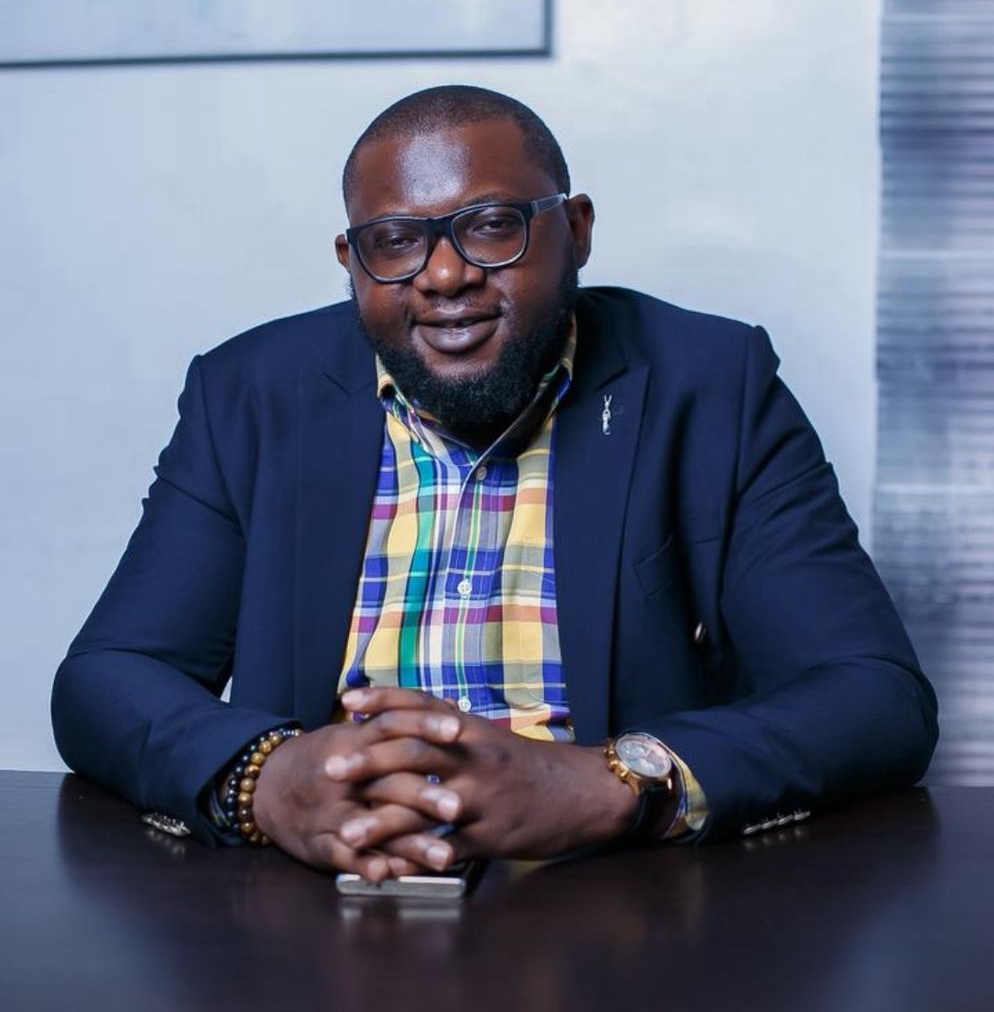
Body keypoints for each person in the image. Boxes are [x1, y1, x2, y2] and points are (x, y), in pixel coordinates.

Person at [52, 85, 937, 881]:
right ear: (352, 261)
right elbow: (109, 677)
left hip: (612, 907)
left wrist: (614, 779)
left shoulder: (711, 385)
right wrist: (268, 777)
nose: (445, 276)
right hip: (322, 902)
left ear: (576, 229)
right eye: (395, 241)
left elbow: (874, 697)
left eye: (490, 225)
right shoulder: (250, 393)